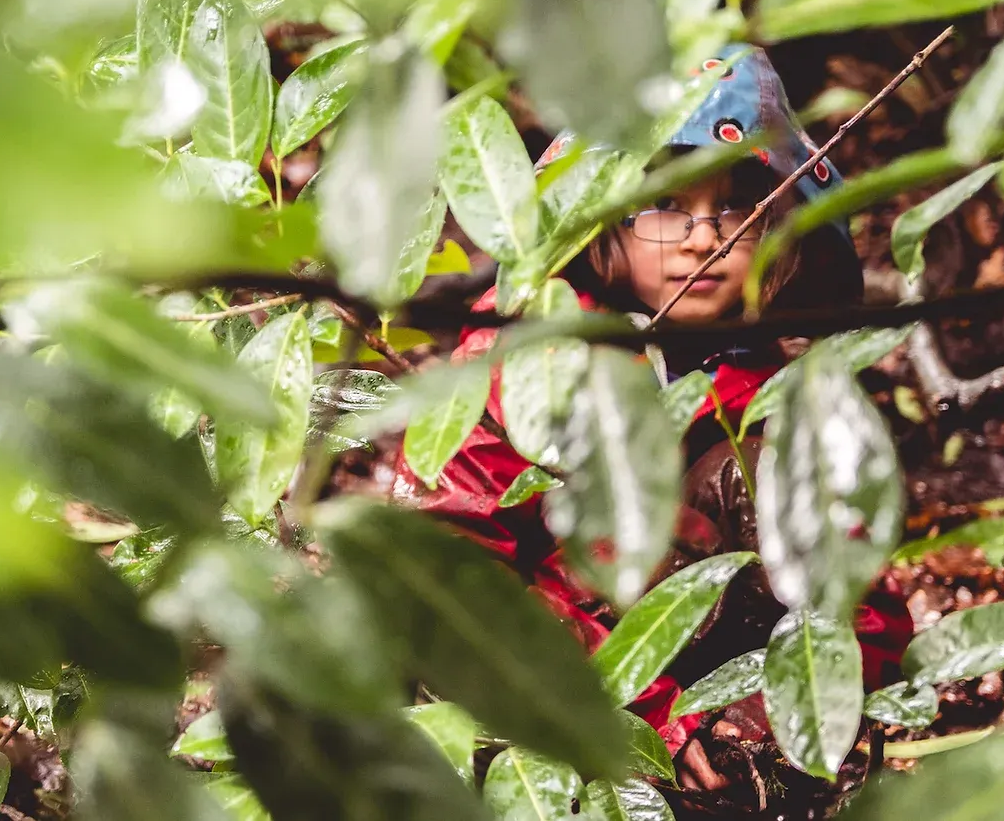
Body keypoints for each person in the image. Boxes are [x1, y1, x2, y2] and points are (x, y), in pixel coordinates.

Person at [391, 43, 913, 766]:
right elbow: (448, 566)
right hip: (556, 683)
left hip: (722, 699)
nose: (703, 238)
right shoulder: (526, 351)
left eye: (737, 204)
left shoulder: (783, 386)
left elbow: (861, 589)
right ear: (604, 216)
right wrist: (655, 721)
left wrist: (785, 722)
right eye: (664, 203)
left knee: (764, 467)